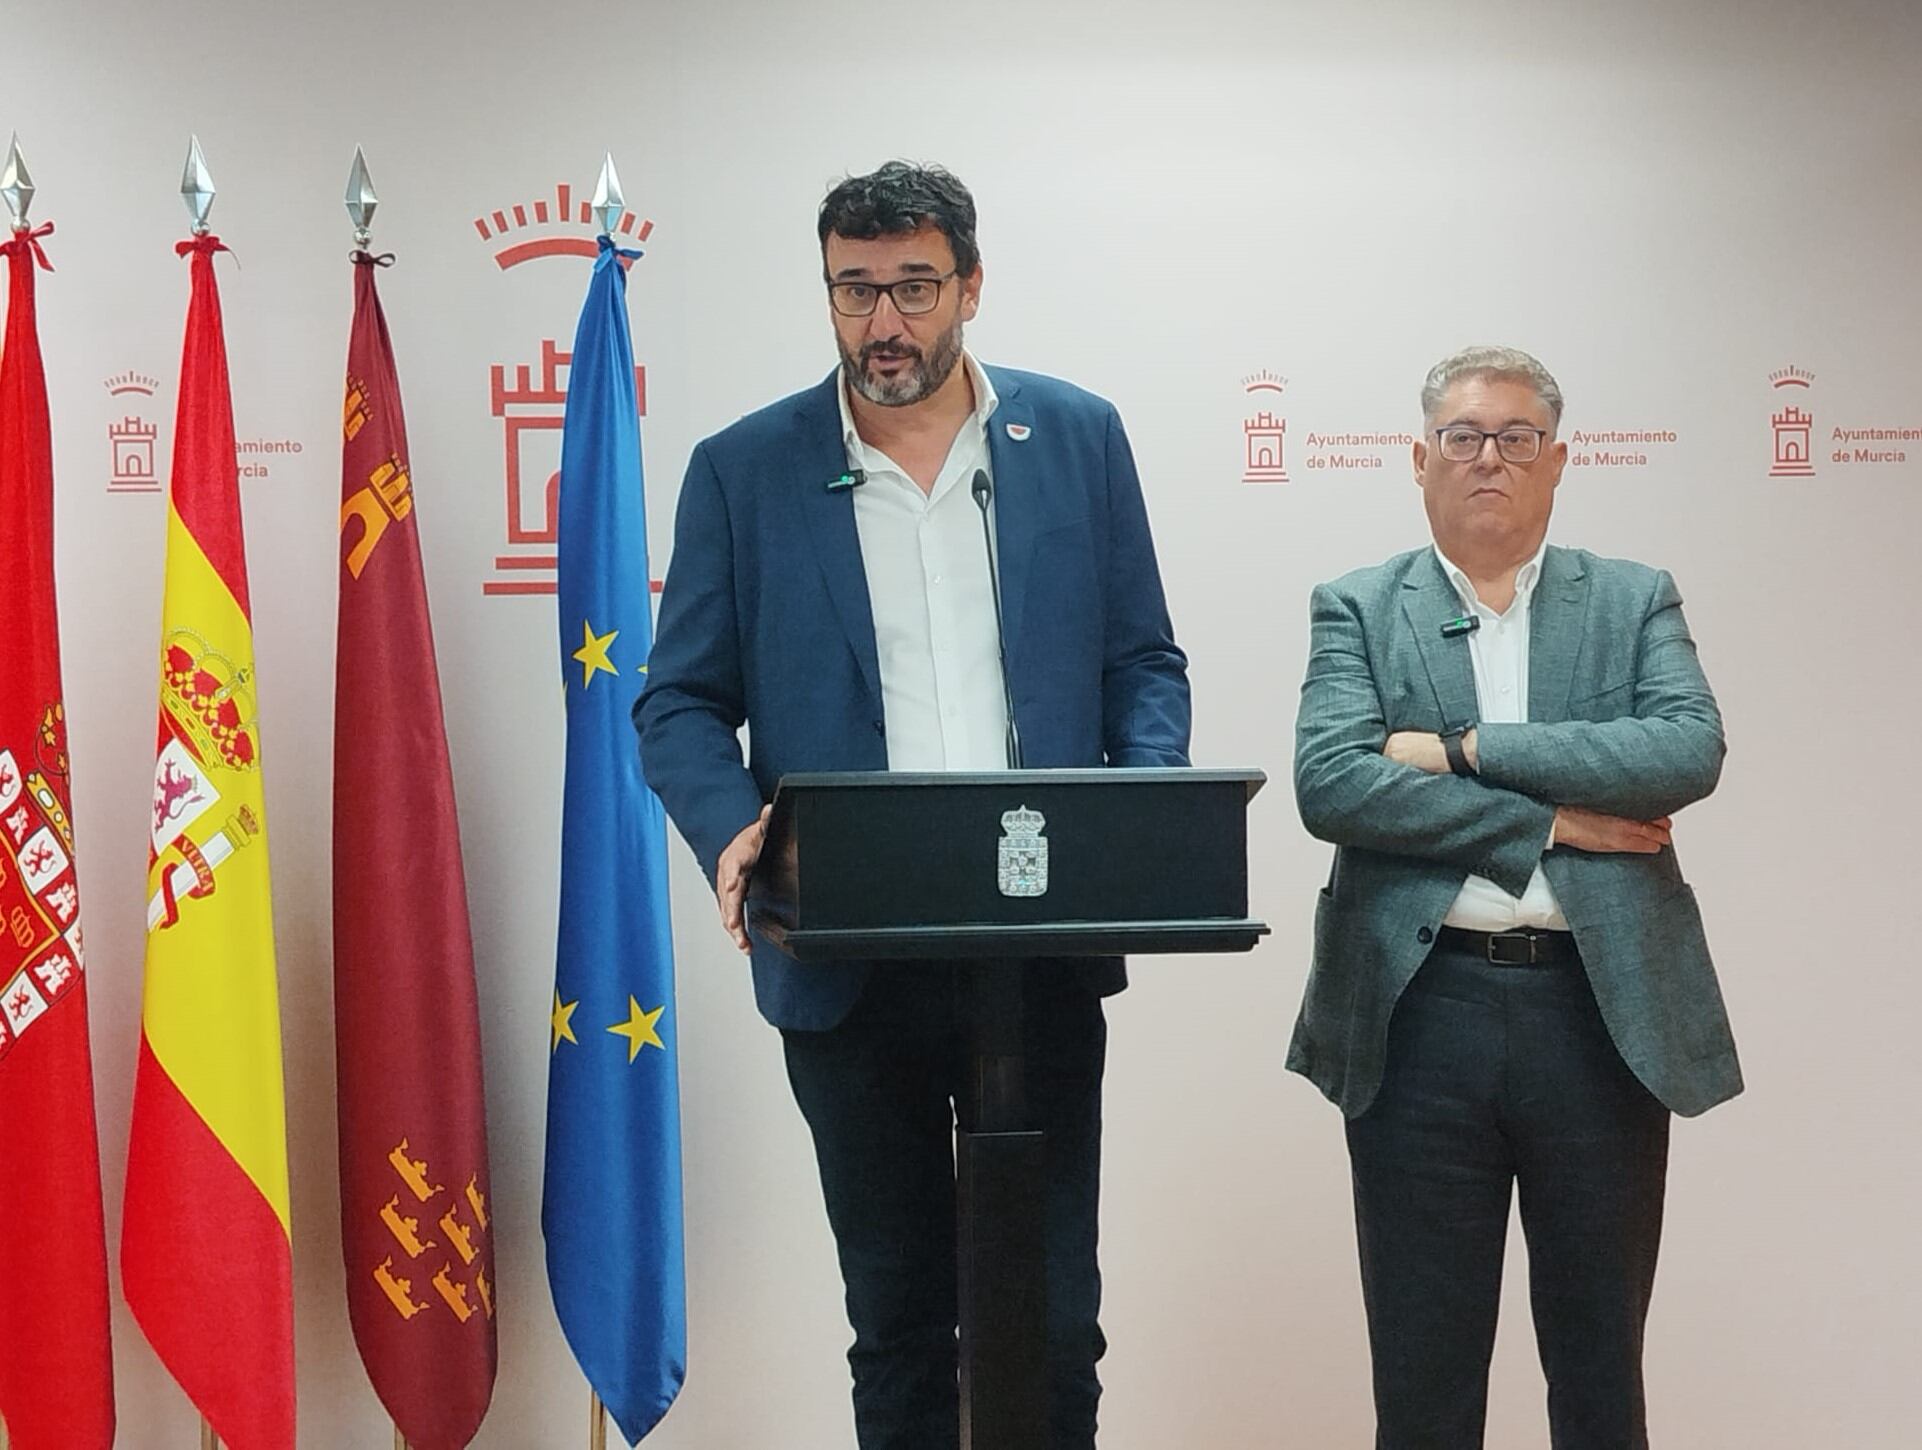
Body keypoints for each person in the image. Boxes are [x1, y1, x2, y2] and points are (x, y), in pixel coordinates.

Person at [634, 161, 1189, 1450]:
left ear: (971, 288)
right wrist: (734, 833)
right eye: (854, 292)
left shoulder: (1077, 437)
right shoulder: (745, 469)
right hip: (848, 957)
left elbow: (1140, 664)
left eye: (913, 290)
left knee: (1052, 1319)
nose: (884, 324)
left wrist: (1137, 812)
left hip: (1034, 947)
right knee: (895, 1320)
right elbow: (676, 703)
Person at [1287, 345, 1742, 1448]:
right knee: (1423, 1370)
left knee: (1596, 1368)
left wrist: (1462, 748)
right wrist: (1545, 822)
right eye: (1462, 437)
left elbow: (1684, 750)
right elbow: (1332, 782)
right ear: (1418, 458)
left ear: (1554, 461)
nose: (1487, 457)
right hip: (1418, 1013)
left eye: (1514, 438)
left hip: (1597, 1013)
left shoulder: (1632, 598)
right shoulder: (1357, 604)